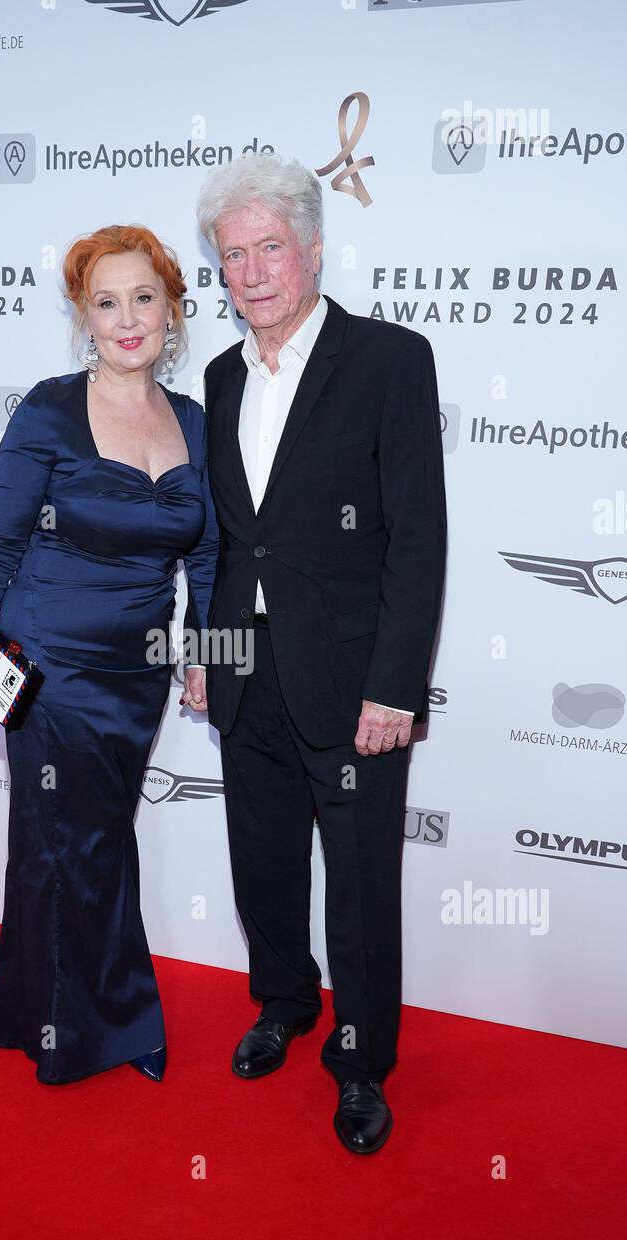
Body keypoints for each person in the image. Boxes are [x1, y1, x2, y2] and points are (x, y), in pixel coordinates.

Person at [187, 153, 446, 1153]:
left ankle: (358, 1057)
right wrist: (206, 648)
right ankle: (284, 1002)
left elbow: (416, 535)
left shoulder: (387, 358)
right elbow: (223, 535)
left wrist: (393, 684)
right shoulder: (216, 374)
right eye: (231, 255)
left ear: (313, 249)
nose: (250, 272)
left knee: (359, 883)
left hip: (349, 682)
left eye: (268, 249)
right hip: (242, 673)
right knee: (260, 865)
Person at [0, 225, 218, 1086]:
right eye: (108, 302)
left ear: (171, 309)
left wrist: (204, 654)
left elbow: (209, 552)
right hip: (47, 659)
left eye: (144, 297)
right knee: (62, 840)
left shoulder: (195, 421)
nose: (128, 318)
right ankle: (107, 1023)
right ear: (85, 317)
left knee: (86, 837)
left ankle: (35, 1008)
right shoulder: (49, 409)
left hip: (137, 670)